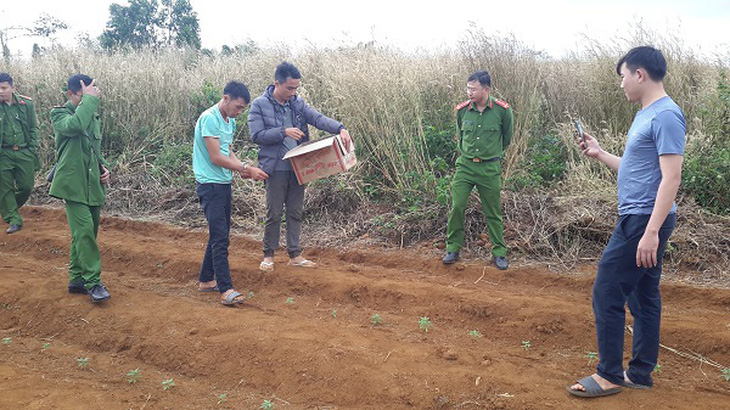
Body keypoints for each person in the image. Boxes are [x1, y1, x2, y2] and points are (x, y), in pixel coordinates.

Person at [568, 46, 685, 398]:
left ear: (640, 74)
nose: (621, 85)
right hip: (640, 218)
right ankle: (640, 373)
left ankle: (608, 375)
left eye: (622, 77)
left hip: (643, 221)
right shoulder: (646, 115)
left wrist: (650, 232)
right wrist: (600, 153)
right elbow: (637, 169)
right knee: (643, 296)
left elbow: (672, 177)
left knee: (607, 290)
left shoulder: (666, 115)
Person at [249, 61, 352, 272]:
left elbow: (317, 119)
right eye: (290, 88)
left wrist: (340, 128)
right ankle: (268, 256)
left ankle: (294, 254)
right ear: (276, 83)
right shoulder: (259, 105)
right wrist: (283, 131)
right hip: (275, 166)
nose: (293, 92)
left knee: (295, 211)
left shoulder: (297, 103)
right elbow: (256, 136)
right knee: (274, 213)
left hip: (298, 166)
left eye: (296, 88)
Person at [193, 80, 268, 305]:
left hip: (223, 183)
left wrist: (241, 167)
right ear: (225, 99)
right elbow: (215, 157)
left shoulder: (229, 121)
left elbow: (227, 151)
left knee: (220, 233)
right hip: (210, 185)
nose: (239, 112)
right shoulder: (209, 119)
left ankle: (206, 280)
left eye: (242, 109)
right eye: (237, 107)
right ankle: (225, 289)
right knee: (220, 237)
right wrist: (245, 168)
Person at [50, 74, 112, 303]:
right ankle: (93, 283)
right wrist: (89, 100)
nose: (91, 98)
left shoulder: (92, 115)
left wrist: (103, 168)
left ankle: (76, 278)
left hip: (92, 184)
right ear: (70, 94)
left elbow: (91, 148)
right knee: (84, 231)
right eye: (83, 95)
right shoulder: (59, 114)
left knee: (87, 232)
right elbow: (75, 126)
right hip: (71, 185)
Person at [443, 70, 513, 270]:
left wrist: (491, 153)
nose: (469, 93)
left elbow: (506, 138)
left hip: (489, 167)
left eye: (473, 89)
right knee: (457, 206)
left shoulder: (502, 111)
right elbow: (460, 137)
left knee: (493, 211)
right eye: (468, 88)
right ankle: (453, 248)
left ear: (486, 89)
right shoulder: (462, 110)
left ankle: (499, 252)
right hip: (465, 166)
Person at [0, 72, 39, 234]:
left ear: (12, 88)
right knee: (5, 188)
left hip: (24, 152)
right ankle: (14, 219)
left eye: (4, 88)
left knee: (26, 186)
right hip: (4, 154)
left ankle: (8, 208)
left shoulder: (25, 104)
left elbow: (33, 127)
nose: (1, 92)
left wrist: (32, 149)